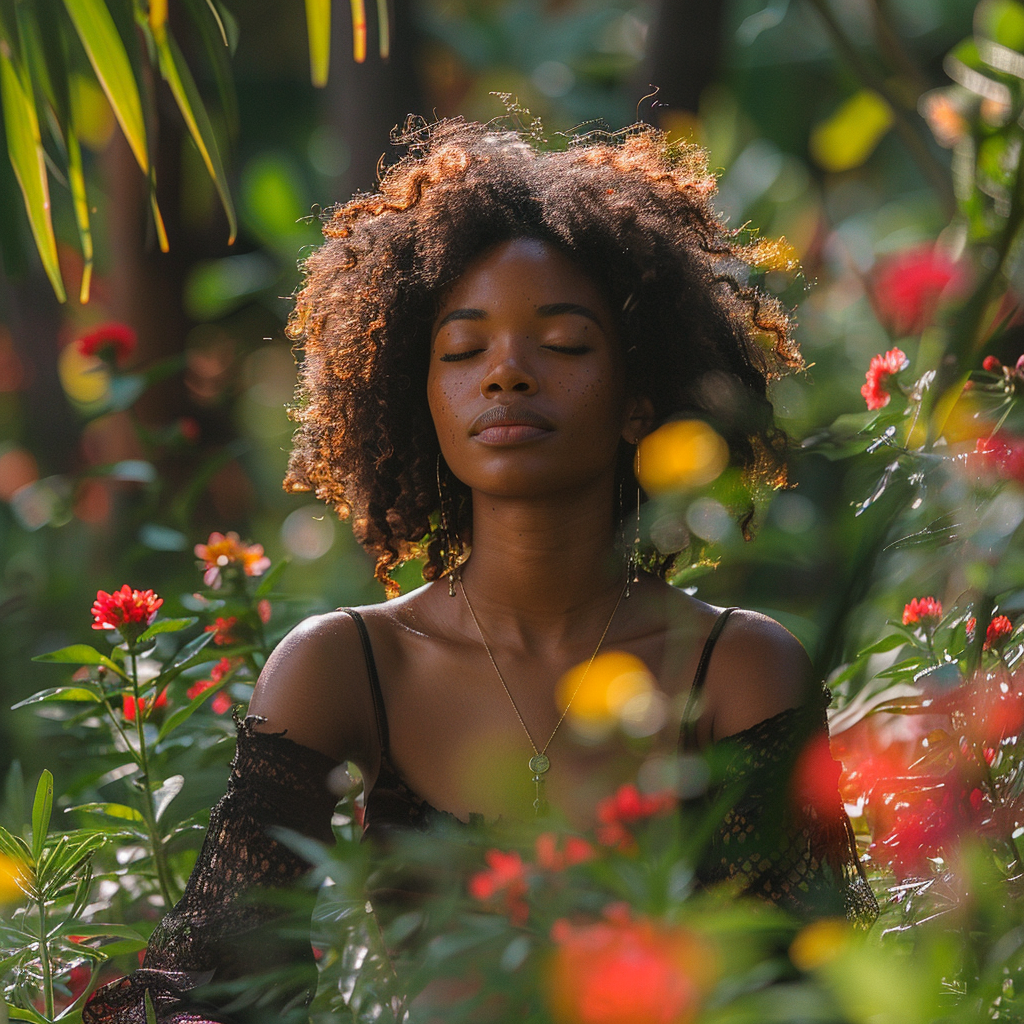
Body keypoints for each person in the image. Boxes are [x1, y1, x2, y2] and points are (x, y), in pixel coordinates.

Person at [83, 118, 876, 1024]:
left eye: (565, 345)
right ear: (419, 398)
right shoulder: (345, 665)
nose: (505, 375)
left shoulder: (738, 668)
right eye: (463, 351)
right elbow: (221, 980)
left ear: (639, 401)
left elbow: (798, 988)